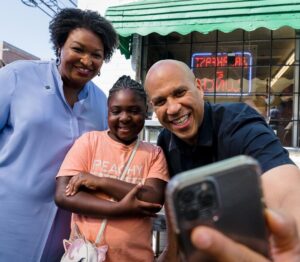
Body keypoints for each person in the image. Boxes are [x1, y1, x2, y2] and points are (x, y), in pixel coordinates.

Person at [144, 59, 300, 261]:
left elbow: (285, 189)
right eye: (161, 101)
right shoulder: (166, 140)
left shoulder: (239, 123)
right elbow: (176, 210)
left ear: (199, 88)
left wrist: (293, 242)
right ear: (153, 107)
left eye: (180, 93)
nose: (172, 108)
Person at [0, 8, 118, 262]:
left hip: (65, 241)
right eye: (78, 49)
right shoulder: (17, 77)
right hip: (8, 226)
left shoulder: (102, 105)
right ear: (59, 45)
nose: (86, 61)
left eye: (96, 55)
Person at [55, 75, 169, 261]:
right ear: (107, 112)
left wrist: (100, 182)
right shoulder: (89, 142)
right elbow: (63, 195)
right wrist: (120, 208)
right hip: (87, 256)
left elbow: (152, 199)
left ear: (146, 111)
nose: (124, 118)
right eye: (116, 111)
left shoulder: (154, 154)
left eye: (134, 110)